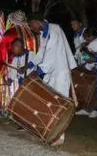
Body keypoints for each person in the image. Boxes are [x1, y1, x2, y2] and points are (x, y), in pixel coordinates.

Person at [29, 14, 77, 146]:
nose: (31, 28)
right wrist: (31, 64)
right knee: (50, 103)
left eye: (32, 25)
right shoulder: (45, 33)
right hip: (52, 72)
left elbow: (50, 57)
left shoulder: (54, 30)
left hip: (60, 73)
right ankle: (50, 133)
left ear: (38, 22)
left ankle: (59, 137)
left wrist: (38, 71)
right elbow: (42, 52)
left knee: (60, 105)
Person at [0, 10, 37, 120]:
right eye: (12, 47)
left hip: (28, 79)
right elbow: (13, 69)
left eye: (15, 47)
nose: (13, 49)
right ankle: (15, 115)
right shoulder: (31, 33)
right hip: (18, 80)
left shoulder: (9, 33)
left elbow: (2, 51)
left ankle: (24, 117)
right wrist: (10, 78)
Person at [75, 28, 97, 119]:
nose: (85, 39)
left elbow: (95, 57)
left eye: (86, 37)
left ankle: (95, 110)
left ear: (91, 36)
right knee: (87, 90)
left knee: (94, 91)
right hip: (88, 68)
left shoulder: (96, 43)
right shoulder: (91, 43)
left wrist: (84, 54)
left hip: (94, 69)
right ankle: (87, 108)